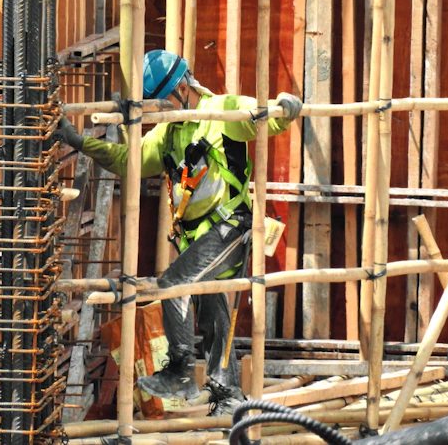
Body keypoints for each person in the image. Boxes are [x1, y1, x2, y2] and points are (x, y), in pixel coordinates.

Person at [56, 49, 302, 416]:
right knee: (215, 316)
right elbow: (130, 162)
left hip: (229, 229)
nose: (157, 110)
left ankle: (180, 371)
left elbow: (268, 117)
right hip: (195, 237)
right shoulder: (170, 131)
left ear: (182, 88)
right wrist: (81, 144)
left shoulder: (224, 111)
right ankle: (229, 396)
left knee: (174, 285)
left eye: (160, 102)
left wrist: (286, 104)